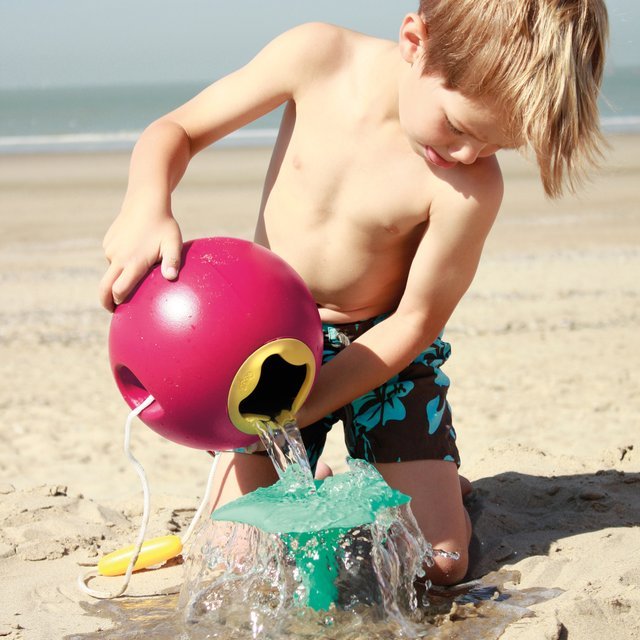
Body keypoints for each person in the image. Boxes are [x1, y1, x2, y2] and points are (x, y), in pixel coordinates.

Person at [99, 0, 608, 585]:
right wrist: (147, 206)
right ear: (415, 42)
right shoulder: (317, 57)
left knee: (440, 563)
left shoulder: (469, 187)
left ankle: (437, 486)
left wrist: (302, 409)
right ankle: (327, 475)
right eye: (462, 128)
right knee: (236, 560)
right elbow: (177, 130)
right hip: (269, 346)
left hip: (384, 355)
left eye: (497, 146)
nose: (471, 156)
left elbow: (416, 320)